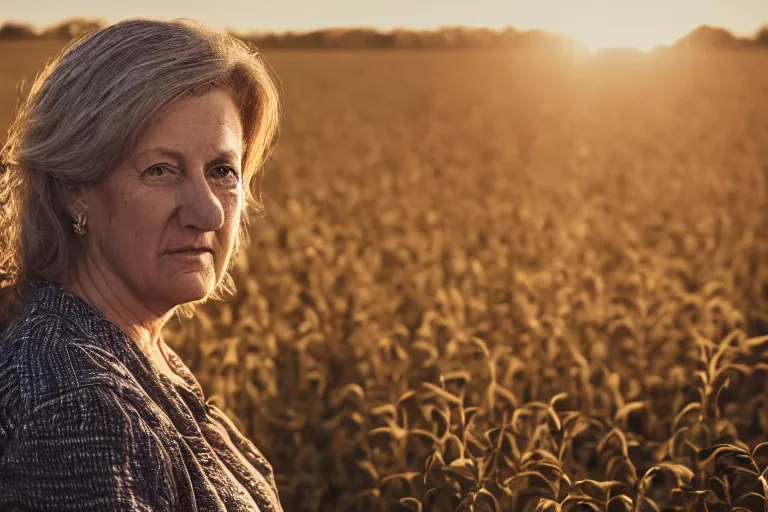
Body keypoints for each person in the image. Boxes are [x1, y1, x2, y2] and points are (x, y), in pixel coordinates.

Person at [0, 17, 283, 511]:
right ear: (75, 191)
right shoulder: (79, 410)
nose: (209, 212)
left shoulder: (131, 344)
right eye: (160, 170)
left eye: (223, 171)